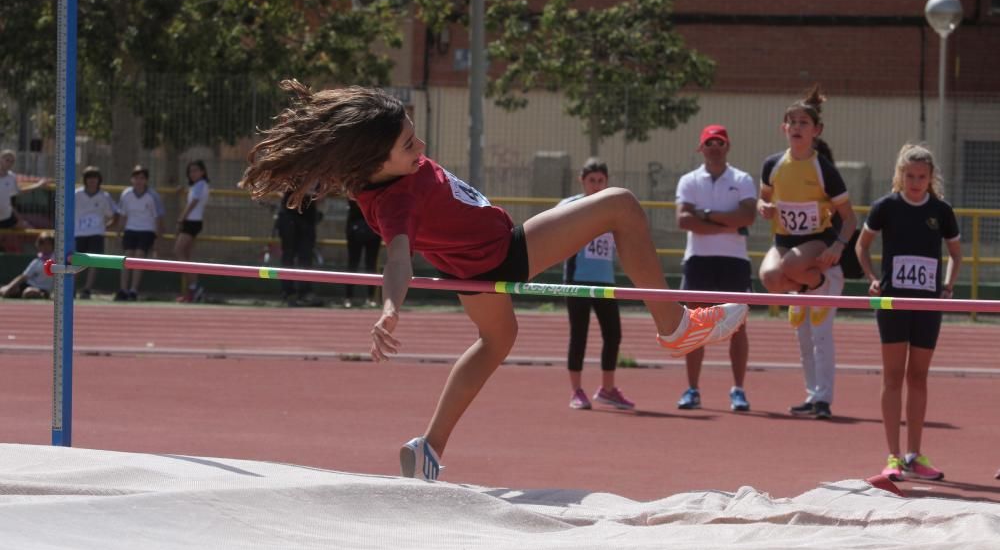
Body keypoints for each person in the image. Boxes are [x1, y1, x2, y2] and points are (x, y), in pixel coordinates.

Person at [239, 81, 748, 481]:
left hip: (470, 268)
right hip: (504, 254)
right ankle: (674, 326)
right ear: (377, 162)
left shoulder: (382, 172)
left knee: (497, 339)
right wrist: (391, 307)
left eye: (415, 135)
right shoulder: (394, 201)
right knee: (621, 205)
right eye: (410, 143)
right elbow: (397, 258)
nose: (422, 145)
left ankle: (429, 448)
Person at [856, 144, 961, 482]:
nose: (916, 182)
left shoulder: (941, 211)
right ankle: (893, 456)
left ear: (931, 179)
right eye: (910, 176)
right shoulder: (885, 207)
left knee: (918, 376)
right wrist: (872, 279)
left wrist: (947, 286)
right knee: (893, 376)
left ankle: (915, 454)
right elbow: (862, 245)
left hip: (928, 303)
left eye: (922, 177)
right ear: (900, 176)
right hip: (892, 301)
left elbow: (956, 255)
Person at [757, 85, 857, 420]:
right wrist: (764, 208)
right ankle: (811, 395)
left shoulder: (823, 169)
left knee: (819, 334)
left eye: (803, 122)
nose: (797, 127)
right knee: (771, 279)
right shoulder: (772, 164)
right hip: (786, 246)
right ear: (783, 128)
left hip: (819, 248)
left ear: (816, 131)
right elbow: (764, 197)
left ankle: (824, 399)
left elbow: (850, 219)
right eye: (792, 122)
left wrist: (838, 246)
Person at [675, 125, 757, 412]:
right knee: (696, 324)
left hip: (734, 261)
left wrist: (707, 217)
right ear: (701, 148)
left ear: (727, 146)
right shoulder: (689, 180)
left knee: (737, 326)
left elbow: (747, 217)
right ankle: (693, 389)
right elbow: (684, 220)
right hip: (699, 260)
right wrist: (726, 223)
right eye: (709, 143)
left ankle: (738, 390)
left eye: (719, 142)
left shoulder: (743, 179)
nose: (714, 147)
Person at [558, 158, 634, 412]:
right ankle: (576, 391)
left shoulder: (612, 210)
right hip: (577, 281)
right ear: (583, 180)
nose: (597, 185)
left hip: (605, 282)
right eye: (592, 181)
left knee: (613, 334)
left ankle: (607, 389)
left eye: (601, 181)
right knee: (578, 335)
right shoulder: (570, 206)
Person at [115, 165, 165, 302]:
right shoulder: (126, 194)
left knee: (138, 257)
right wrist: (118, 233)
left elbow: (158, 218)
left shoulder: (152, 196)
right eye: (136, 178)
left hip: (146, 231)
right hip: (130, 230)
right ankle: (123, 289)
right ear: (132, 179)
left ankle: (133, 290)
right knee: (126, 258)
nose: (139, 181)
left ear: (146, 180)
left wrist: (157, 239)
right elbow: (123, 215)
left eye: (142, 178)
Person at [74, 166, 118, 298]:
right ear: (85, 180)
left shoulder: (104, 196)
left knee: (93, 261)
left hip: (96, 234)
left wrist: (107, 227)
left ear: (99, 180)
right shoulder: (77, 194)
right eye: (89, 178)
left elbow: (114, 214)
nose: (92, 181)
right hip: (78, 233)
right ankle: (72, 288)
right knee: (75, 261)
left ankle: (87, 289)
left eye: (95, 178)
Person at [276, 190, 322, 306]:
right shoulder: (288, 172)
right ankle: (288, 292)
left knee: (306, 256)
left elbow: (322, 192)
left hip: (308, 213)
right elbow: (278, 186)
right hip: (289, 213)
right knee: (288, 255)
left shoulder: (317, 174)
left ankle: (305, 292)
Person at [174, 159, 210, 303]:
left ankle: (195, 287)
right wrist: (184, 191)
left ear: (203, 172)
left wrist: (181, 219)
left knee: (178, 251)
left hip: (192, 223)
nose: (193, 173)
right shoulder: (197, 185)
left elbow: (193, 203)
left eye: (196, 170)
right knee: (186, 256)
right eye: (190, 171)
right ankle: (192, 290)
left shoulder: (201, 184)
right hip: (192, 222)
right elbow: (193, 196)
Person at [344, 198, 382, 308]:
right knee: (352, 263)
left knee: (371, 263)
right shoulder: (353, 183)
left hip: (373, 227)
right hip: (355, 226)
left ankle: (371, 297)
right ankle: (348, 297)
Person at [0, 149, 48, 232]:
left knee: (30, 231)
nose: (10, 163)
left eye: (12, 161)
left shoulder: (12, 177)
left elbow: (18, 192)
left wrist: (38, 185)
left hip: (6, 217)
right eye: (7, 160)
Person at [0, 231, 55, 298]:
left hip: (43, 289)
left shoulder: (56, 258)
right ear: (39, 245)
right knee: (3, 290)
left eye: (48, 244)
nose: (45, 246)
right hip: (28, 285)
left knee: (28, 292)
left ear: (53, 245)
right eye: (43, 244)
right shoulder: (36, 261)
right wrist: (9, 288)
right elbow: (23, 277)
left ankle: (43, 295)